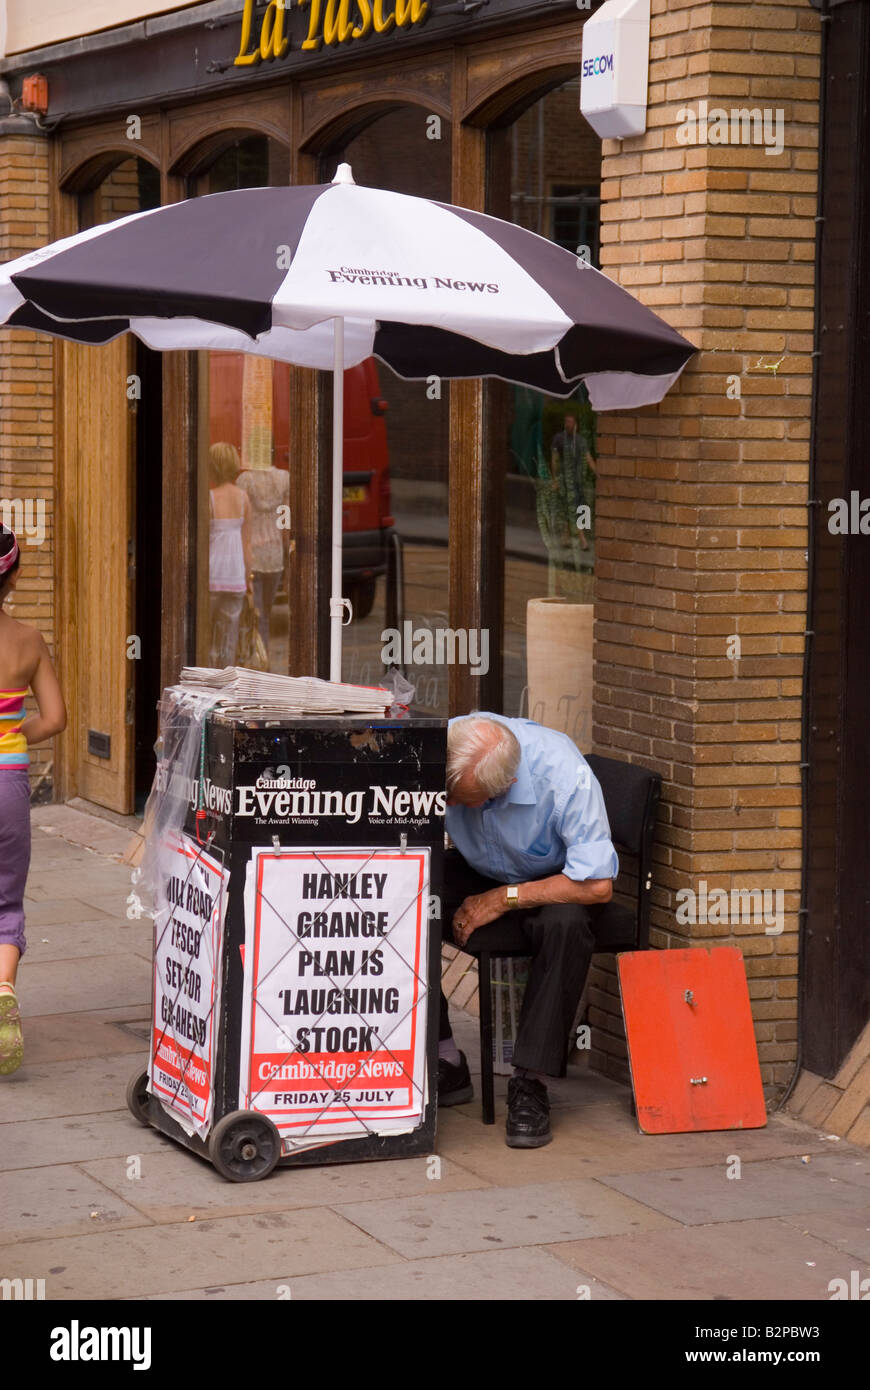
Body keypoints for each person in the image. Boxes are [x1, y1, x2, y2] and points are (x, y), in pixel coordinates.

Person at [439, 712, 617, 1148]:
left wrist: (503, 899)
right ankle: (444, 1056)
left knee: (567, 925)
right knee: (406, 890)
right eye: (452, 797)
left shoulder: (565, 775)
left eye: (468, 800)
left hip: (552, 881)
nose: (455, 808)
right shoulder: (451, 742)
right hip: (480, 867)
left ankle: (531, 1084)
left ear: (508, 785)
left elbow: (596, 884)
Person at [0, 525, 67, 1075]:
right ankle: (3, 990)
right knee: (6, 902)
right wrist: (14, 730)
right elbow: (57, 719)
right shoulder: (28, 641)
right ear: (15, 577)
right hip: (9, 783)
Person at [235, 429, 290, 654]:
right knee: (265, 615)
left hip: (253, 555)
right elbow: (286, 521)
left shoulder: (245, 480)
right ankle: (262, 660)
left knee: (251, 615)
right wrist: (287, 555)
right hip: (275, 555)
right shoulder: (284, 478)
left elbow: (239, 520)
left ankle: (253, 661)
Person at [208, 442, 252, 669]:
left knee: (207, 640)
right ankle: (225, 685)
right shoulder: (243, 498)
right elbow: (247, 544)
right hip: (235, 577)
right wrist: (248, 578)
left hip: (212, 575)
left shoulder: (210, 498)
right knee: (229, 641)